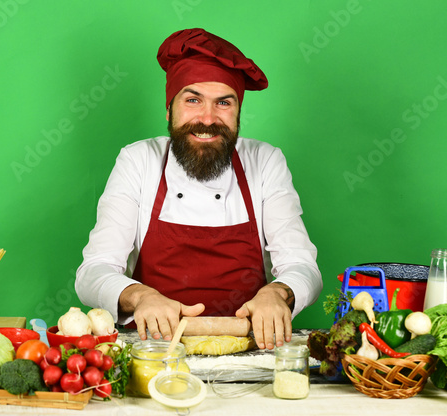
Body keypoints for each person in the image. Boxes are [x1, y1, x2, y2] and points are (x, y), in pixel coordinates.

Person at [76, 28, 322, 350]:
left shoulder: (264, 161)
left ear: (237, 114)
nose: (207, 118)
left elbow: (303, 265)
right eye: (193, 100)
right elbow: (93, 272)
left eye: (223, 103)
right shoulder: (139, 161)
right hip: (152, 351)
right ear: (169, 110)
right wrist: (140, 295)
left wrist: (278, 294)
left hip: (249, 349)